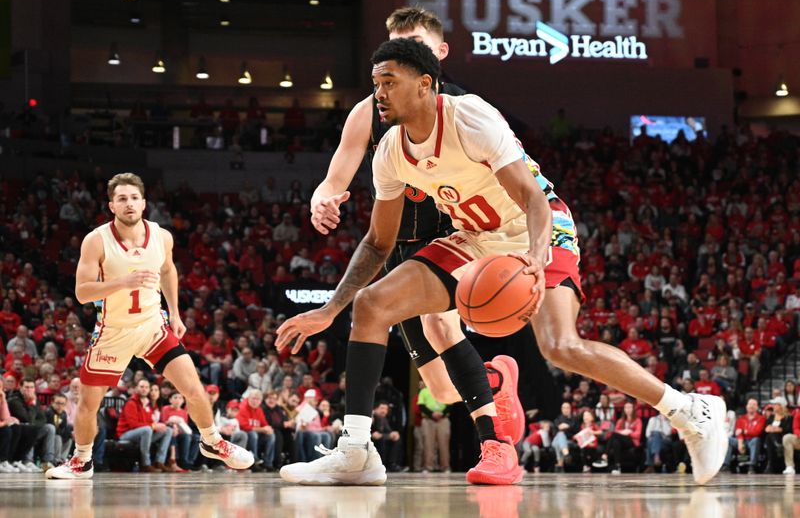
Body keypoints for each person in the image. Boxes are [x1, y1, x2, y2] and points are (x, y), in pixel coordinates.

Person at [276, 38, 726, 485]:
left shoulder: (470, 117)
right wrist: (331, 309)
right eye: (376, 83)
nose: (379, 93)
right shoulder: (391, 151)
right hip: (475, 236)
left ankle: (690, 411)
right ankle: (356, 450)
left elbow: (532, 199)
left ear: (425, 84)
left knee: (560, 346)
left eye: (390, 82)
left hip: (537, 224)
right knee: (371, 305)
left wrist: (533, 258)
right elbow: (378, 243)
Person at [305, 5, 524, 445]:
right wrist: (322, 201)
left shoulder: (465, 109)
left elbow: (516, 177)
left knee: (439, 326)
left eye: (416, 46)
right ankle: (495, 380)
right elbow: (333, 178)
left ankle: (493, 444)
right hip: (398, 246)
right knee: (441, 389)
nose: (404, 54)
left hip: (451, 236)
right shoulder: (370, 112)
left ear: (438, 55)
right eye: (396, 47)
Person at [46, 173, 253, 479]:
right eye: (121, 199)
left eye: (133, 198)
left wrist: (175, 313)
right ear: (111, 206)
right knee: (90, 403)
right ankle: (82, 460)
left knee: (194, 387)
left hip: (152, 327)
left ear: (143, 202)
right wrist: (122, 282)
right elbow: (82, 292)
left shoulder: (161, 236)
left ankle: (212, 441)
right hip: (113, 333)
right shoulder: (96, 240)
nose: (128, 204)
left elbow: (168, 271)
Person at [727, 398, 765, 473]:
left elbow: (756, 432)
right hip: (742, 440)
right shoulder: (741, 418)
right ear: (746, 406)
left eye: (754, 404)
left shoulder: (761, 418)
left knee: (756, 440)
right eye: (750, 404)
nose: (751, 406)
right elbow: (738, 432)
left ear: (757, 407)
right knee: (728, 440)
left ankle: (752, 465)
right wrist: (740, 443)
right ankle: (725, 465)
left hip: (752, 441)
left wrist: (743, 431)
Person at [371, 400, 403, 472]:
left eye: (386, 409)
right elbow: (373, 434)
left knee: (396, 438)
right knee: (381, 440)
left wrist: (393, 434)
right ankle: (380, 465)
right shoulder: (371, 417)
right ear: (375, 409)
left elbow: (388, 431)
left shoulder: (383, 418)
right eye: (382, 408)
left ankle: (392, 464)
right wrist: (385, 435)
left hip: (379, 437)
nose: (384, 411)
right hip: (368, 439)